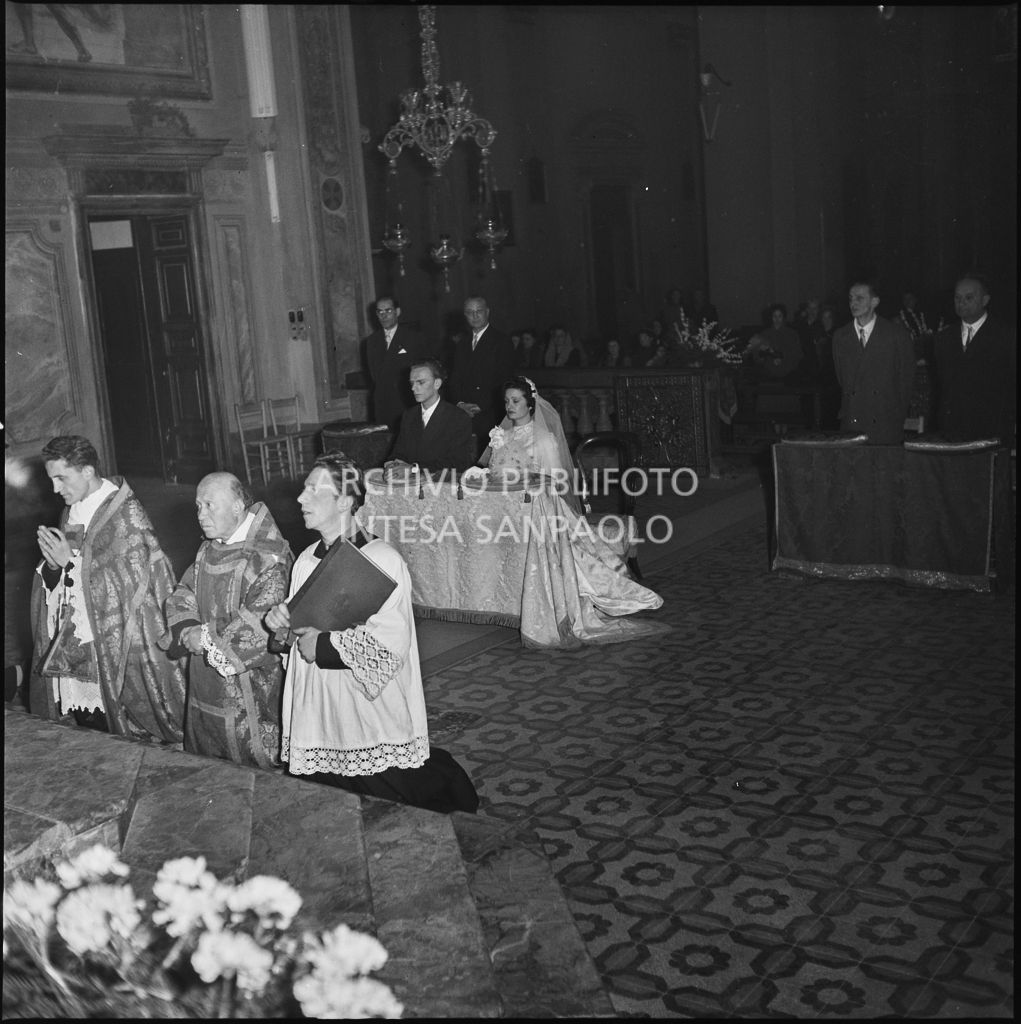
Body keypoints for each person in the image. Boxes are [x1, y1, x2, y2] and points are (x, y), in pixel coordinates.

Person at [264, 453, 479, 813]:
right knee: (326, 791)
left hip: (363, 702)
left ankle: (452, 792)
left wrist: (326, 645)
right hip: (318, 703)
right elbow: (297, 631)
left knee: (388, 788)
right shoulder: (305, 559)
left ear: (345, 501)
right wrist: (280, 626)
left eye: (314, 491)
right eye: (303, 490)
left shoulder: (382, 558)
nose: (301, 499)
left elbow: (392, 642)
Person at [463, 380, 666, 647]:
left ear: (530, 403)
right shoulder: (500, 435)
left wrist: (529, 482)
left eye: (516, 401)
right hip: (507, 508)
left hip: (543, 507)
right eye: (506, 401)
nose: (510, 407)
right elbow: (489, 469)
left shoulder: (543, 439)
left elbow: (556, 482)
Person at [28, 435, 186, 742]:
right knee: (86, 723)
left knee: (116, 732)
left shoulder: (125, 515)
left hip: (117, 646)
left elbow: (126, 587)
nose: (55, 489)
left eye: (62, 478)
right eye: (52, 480)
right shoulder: (74, 509)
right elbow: (73, 564)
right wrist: (53, 567)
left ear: (87, 471)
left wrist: (70, 564)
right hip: (78, 641)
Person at [160, 473, 293, 769]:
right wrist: (187, 628)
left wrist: (204, 639)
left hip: (249, 686)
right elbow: (185, 591)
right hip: (205, 681)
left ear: (236, 506)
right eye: (198, 506)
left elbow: (262, 621)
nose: (200, 515)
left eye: (209, 505)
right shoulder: (211, 546)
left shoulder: (267, 557)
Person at [931, 273, 1015, 444]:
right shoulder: (943, 338)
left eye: (969, 297)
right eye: (957, 298)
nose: (962, 303)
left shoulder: (1006, 337)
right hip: (951, 433)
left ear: (985, 300)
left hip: (992, 432)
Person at [832, 280, 915, 444]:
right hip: (852, 422)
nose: (853, 303)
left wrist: (897, 416)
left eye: (859, 298)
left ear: (874, 302)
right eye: (850, 299)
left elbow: (906, 381)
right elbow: (842, 379)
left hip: (885, 423)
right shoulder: (840, 337)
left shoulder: (896, 335)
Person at [449, 295, 517, 456]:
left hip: (490, 412)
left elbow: (504, 379)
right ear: (464, 316)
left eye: (479, 311)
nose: (475, 316)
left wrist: (480, 404)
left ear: (487, 312)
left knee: (489, 460)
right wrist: (459, 403)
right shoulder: (462, 343)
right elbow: (455, 378)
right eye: (469, 312)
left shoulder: (501, 341)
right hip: (464, 414)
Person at [384, 359, 473, 478]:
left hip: (441, 486)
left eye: (420, 382)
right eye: (412, 383)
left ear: (437, 384)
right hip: (412, 484)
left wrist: (413, 469)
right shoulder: (409, 415)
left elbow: (458, 463)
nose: (413, 388)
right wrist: (392, 464)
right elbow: (399, 452)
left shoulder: (458, 417)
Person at [364, 294, 429, 431]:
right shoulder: (371, 341)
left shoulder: (413, 338)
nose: (384, 315)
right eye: (380, 312)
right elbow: (375, 375)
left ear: (397, 312)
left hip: (406, 402)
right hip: (383, 404)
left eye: (388, 311)